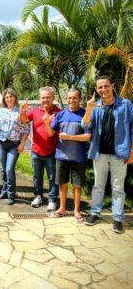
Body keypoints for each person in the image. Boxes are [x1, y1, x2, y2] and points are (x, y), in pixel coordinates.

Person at [82, 75, 133, 234]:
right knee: (98, 185)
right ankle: (95, 213)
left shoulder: (126, 105)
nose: (103, 90)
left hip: (120, 153)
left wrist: (132, 151)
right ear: (96, 90)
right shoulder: (95, 106)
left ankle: (117, 218)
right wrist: (89, 109)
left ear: (112, 85)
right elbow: (85, 125)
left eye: (106, 86)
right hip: (100, 153)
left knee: (118, 187)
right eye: (99, 87)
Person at [43, 88, 91, 223]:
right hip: (61, 156)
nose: (71, 100)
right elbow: (51, 133)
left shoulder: (85, 115)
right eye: (69, 98)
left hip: (78, 157)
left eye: (75, 98)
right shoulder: (61, 114)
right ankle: (62, 208)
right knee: (62, 184)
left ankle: (76, 210)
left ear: (80, 99)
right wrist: (47, 123)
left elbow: (88, 136)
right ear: (66, 99)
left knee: (77, 185)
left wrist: (69, 137)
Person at [0, 88, 29, 204]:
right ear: (4, 99)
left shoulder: (20, 111)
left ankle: (11, 194)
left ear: (15, 98)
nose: (9, 98)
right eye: (7, 97)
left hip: (14, 144)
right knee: (3, 169)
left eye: (11, 96)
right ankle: (4, 191)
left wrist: (23, 143)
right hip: (1, 143)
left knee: (9, 169)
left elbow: (26, 128)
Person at [20, 86, 61, 210]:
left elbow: (52, 133)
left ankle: (52, 199)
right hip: (36, 151)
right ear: (39, 98)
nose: (45, 100)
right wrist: (22, 111)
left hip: (52, 151)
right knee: (37, 176)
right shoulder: (35, 111)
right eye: (43, 97)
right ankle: (38, 196)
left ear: (53, 98)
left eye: (48, 97)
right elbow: (24, 120)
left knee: (53, 177)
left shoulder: (58, 112)